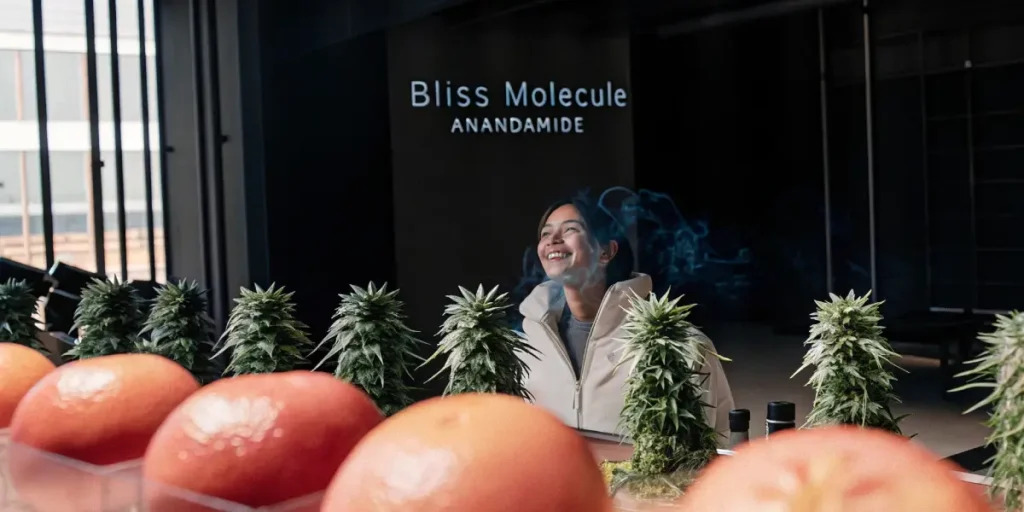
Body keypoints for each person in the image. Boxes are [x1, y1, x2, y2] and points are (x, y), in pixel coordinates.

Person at [518, 197, 735, 444]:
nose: (552, 240)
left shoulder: (676, 347)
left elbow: (708, 450)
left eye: (570, 229)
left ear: (606, 251)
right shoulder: (528, 346)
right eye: (546, 233)